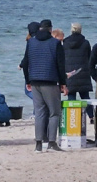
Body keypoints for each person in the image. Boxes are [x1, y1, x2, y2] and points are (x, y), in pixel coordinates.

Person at [23, 18, 67, 152]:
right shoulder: (55, 43)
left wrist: (28, 80)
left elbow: (25, 62)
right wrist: (63, 83)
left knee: (40, 113)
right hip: (50, 81)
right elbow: (60, 65)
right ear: (50, 29)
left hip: (35, 81)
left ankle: (38, 144)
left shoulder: (31, 42)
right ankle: (52, 142)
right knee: (54, 112)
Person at [63, 23, 93, 116]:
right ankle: (91, 116)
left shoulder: (65, 42)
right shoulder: (86, 43)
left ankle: (72, 118)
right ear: (80, 30)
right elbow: (89, 58)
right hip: (83, 73)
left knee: (71, 96)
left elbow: (63, 58)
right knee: (85, 97)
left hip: (70, 73)